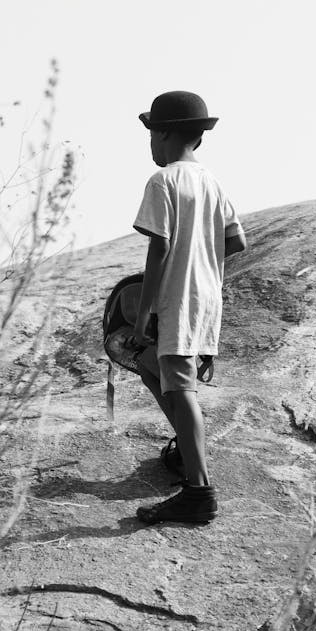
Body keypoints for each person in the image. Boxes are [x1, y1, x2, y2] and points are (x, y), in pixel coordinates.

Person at [130, 90, 246, 525]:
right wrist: (201, 257)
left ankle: (198, 492)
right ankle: (186, 450)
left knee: (180, 387)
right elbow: (236, 240)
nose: (151, 144)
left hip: (177, 298)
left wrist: (143, 313)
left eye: (151, 134)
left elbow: (158, 246)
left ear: (163, 135)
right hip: (206, 295)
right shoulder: (211, 181)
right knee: (149, 366)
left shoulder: (164, 181)